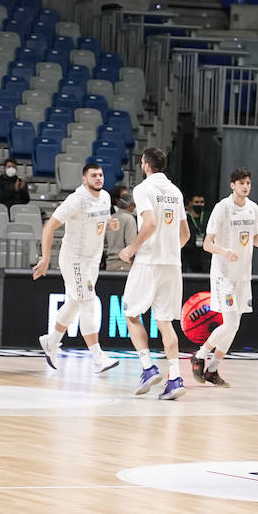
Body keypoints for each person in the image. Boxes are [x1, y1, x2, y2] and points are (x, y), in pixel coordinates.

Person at [189, 167, 258, 387]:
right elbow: (207, 244)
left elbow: (253, 237)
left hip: (243, 275)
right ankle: (199, 355)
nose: (245, 186)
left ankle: (213, 369)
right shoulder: (222, 208)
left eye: (248, 183)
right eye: (241, 183)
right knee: (231, 322)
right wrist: (224, 252)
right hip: (223, 274)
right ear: (232, 185)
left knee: (234, 325)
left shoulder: (253, 208)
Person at [119, 147, 190, 400]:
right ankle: (174, 378)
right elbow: (186, 235)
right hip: (172, 264)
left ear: (146, 165)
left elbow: (149, 224)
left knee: (129, 312)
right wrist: (168, 249)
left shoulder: (143, 189)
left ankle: (148, 367)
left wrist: (132, 248)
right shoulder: (176, 192)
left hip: (148, 261)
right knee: (165, 322)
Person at [34, 162, 118, 373]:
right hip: (75, 260)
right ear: (84, 179)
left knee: (74, 303)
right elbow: (49, 226)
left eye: (100, 175)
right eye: (94, 175)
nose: (98, 178)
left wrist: (111, 224)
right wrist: (45, 258)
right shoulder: (75, 200)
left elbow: (100, 223)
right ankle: (98, 357)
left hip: (93, 260)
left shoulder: (106, 197)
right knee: (88, 302)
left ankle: (51, 341)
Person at [103, 186, 136, 271]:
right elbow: (131, 244)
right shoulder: (129, 219)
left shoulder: (110, 218)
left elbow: (104, 243)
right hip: (124, 265)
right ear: (131, 205)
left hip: (109, 265)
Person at [183, 192, 208, 273]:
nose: (199, 204)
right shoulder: (185, 219)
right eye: (196, 202)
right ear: (190, 203)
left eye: (201, 202)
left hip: (204, 257)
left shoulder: (207, 218)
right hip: (189, 256)